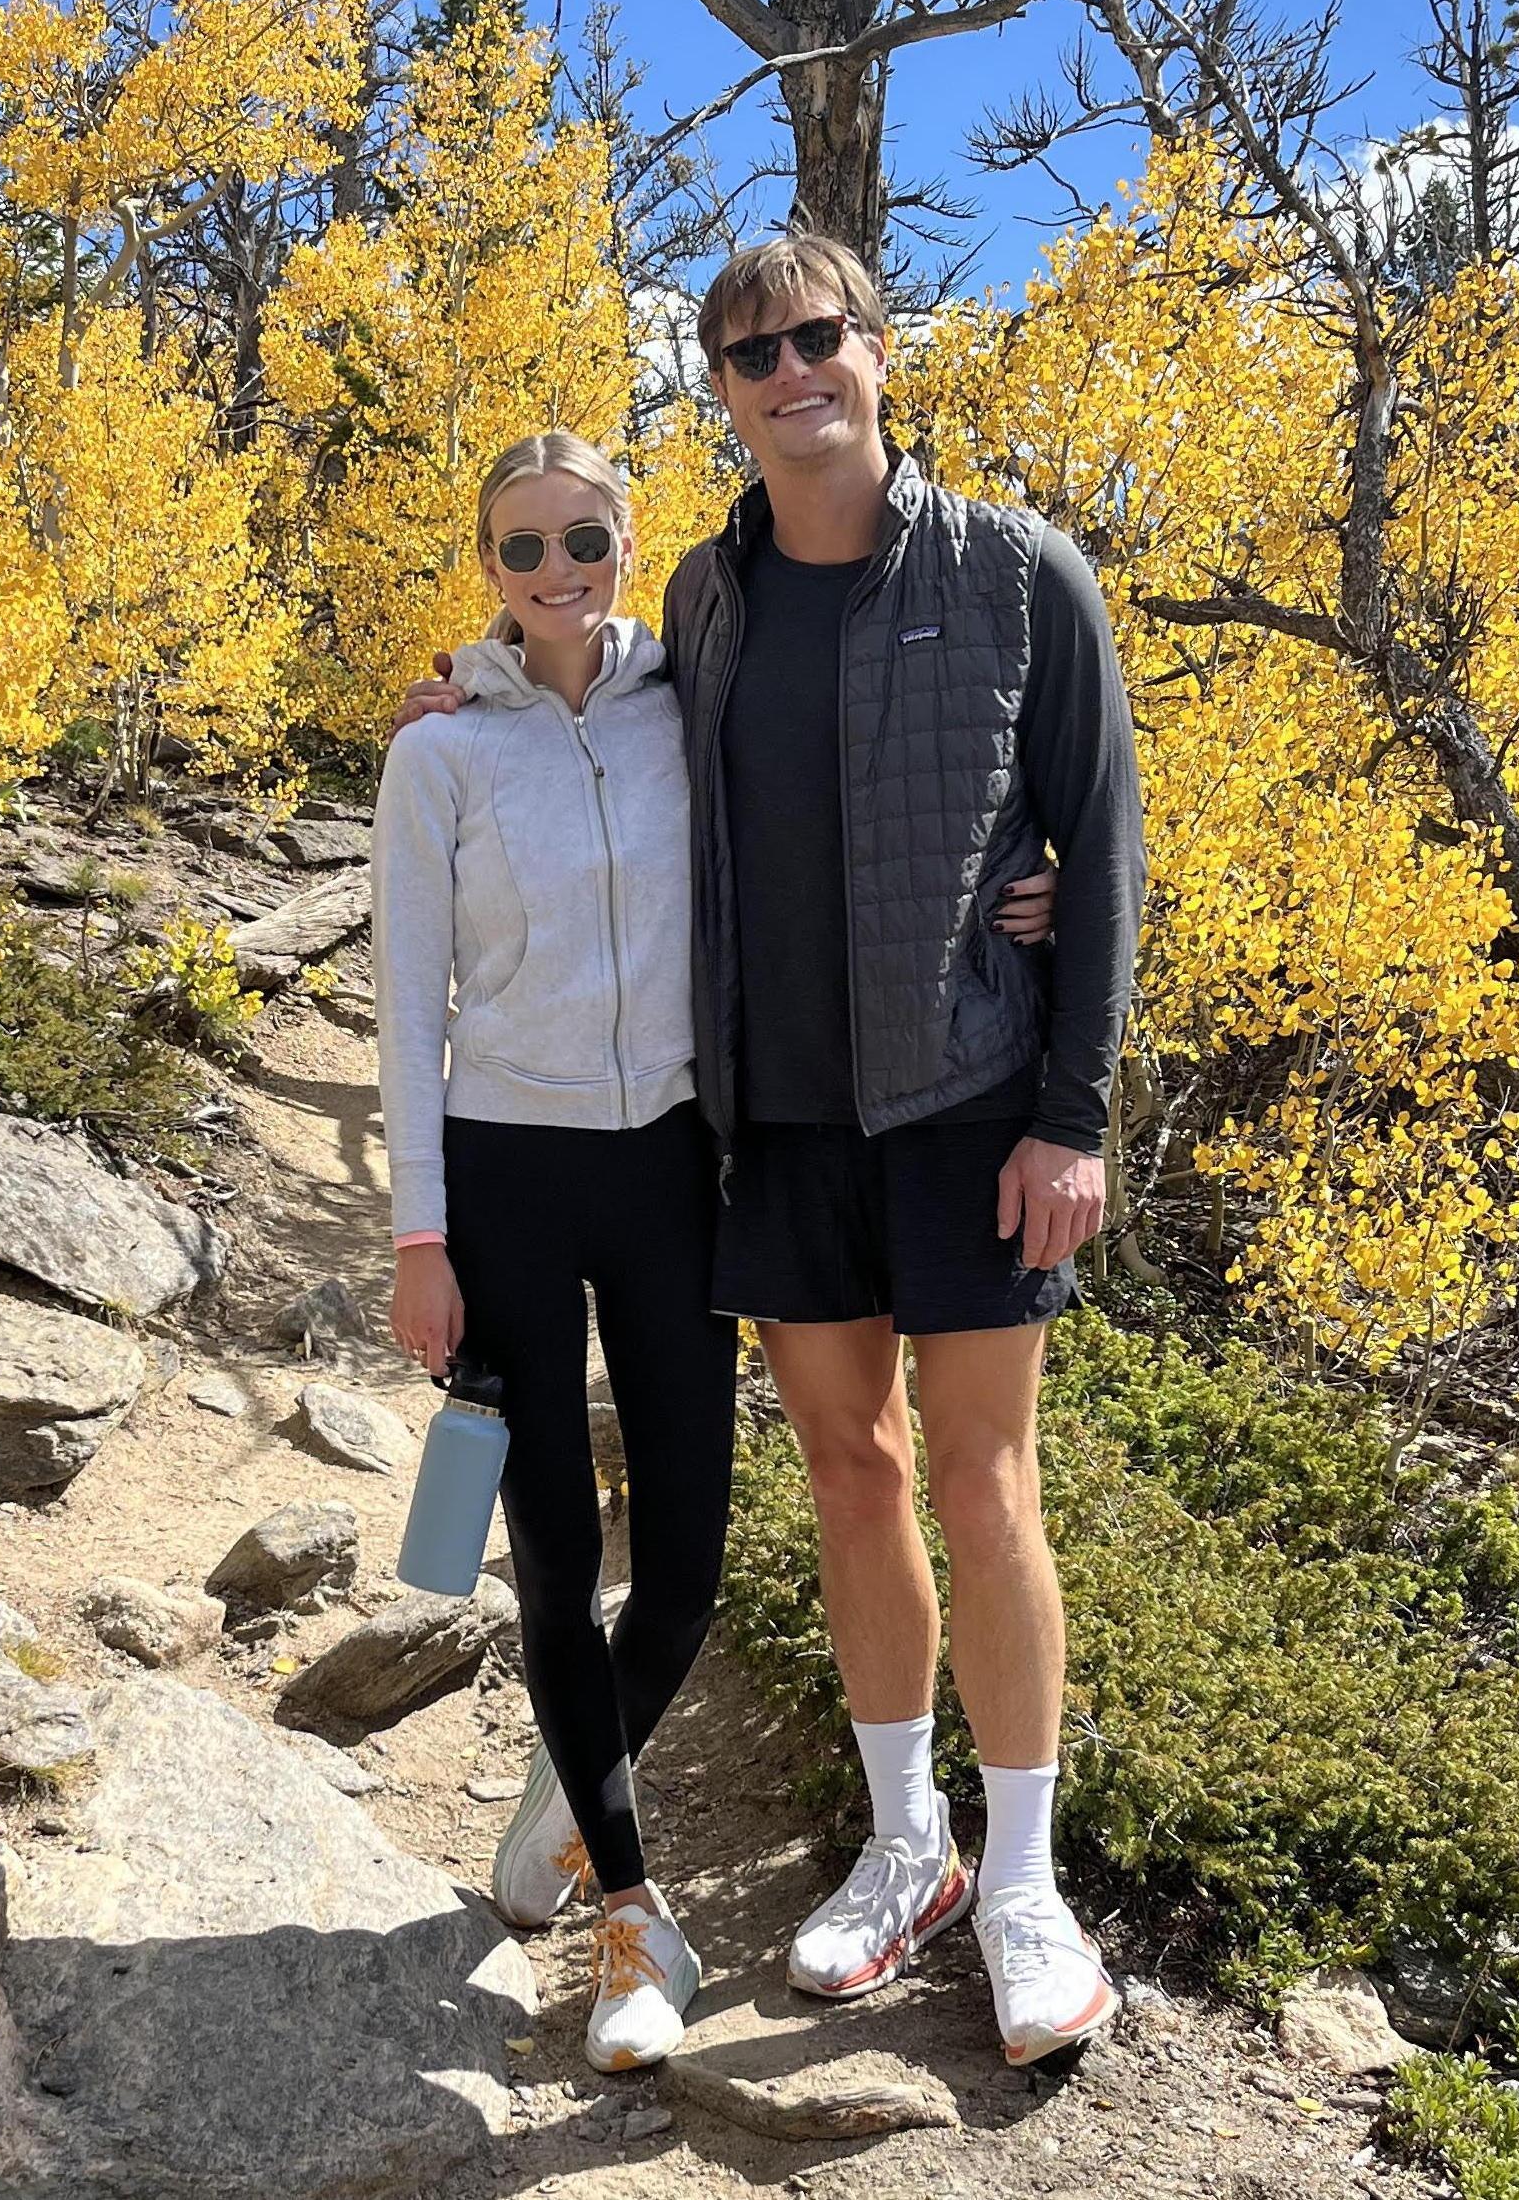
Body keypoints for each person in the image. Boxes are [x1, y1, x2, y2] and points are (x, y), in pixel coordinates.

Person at [398, 229, 1142, 2069]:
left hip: (971, 1106)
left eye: (818, 337)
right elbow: (562, 707)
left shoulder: (1018, 572)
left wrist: (1071, 1110)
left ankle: (1023, 1876)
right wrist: (458, 692)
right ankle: (907, 1852)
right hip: (776, 1125)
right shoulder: (702, 600)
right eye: (750, 353)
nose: (789, 370)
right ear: (717, 393)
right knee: (848, 1469)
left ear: (878, 350)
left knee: (984, 1481)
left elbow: (1100, 847)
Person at [370, 431, 740, 2075]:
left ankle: (561, 1797)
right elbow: (403, 1011)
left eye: (583, 535)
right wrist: (417, 1237)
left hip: (670, 1168)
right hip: (508, 1179)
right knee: (547, 1556)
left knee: (685, 1569)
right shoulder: (438, 757)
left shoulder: (690, 711)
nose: (558, 570)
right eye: (522, 548)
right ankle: (630, 1915)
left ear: (625, 533)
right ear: (490, 568)